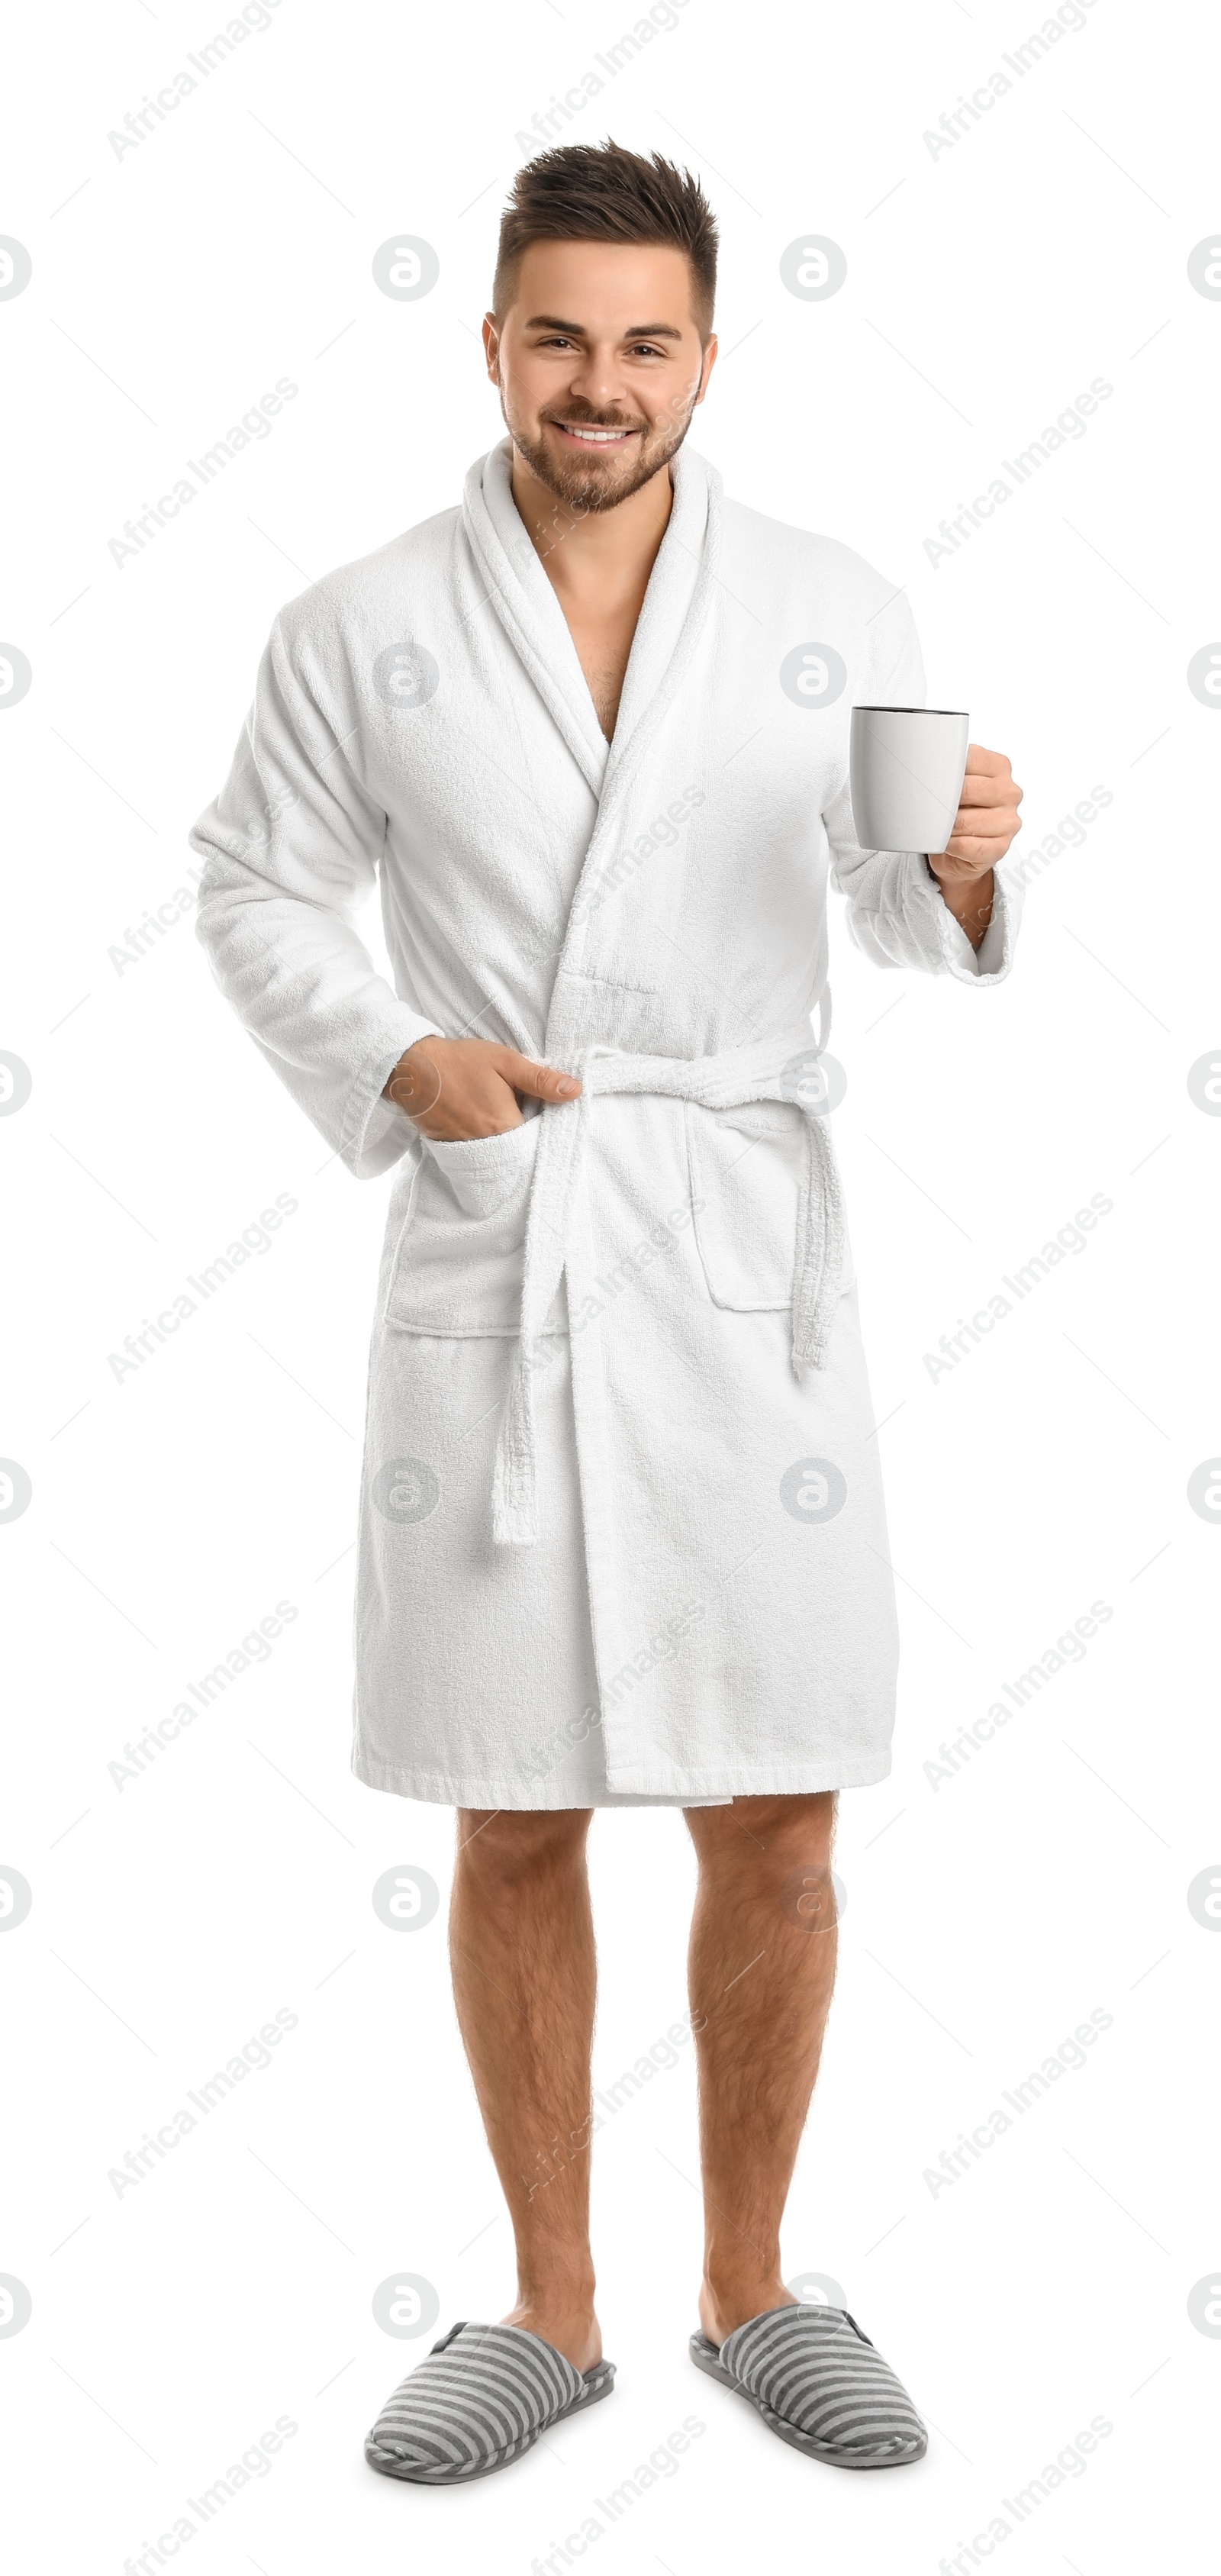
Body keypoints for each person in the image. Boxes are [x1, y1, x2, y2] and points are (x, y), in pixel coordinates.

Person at [191, 139, 1023, 2485]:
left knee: (782, 1812)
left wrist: (961, 874)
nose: (600, 383)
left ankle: (755, 2292)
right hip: (505, 1234)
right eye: (558, 334)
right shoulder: (363, 621)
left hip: (739, 1262)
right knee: (515, 1808)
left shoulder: (834, 603)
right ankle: (548, 2318)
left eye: (646, 340)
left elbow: (889, 908)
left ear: (707, 359)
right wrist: (389, 1056)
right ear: (491, 343)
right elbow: (250, 882)